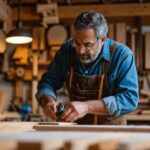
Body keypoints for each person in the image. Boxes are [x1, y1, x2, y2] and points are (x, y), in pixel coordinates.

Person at [36, 10, 139, 125]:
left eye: (87, 45)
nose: (80, 51)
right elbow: (48, 81)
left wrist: (87, 107)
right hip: (77, 129)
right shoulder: (67, 50)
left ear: (103, 39)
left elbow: (129, 99)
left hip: (111, 132)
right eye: (77, 43)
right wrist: (48, 100)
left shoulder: (122, 56)